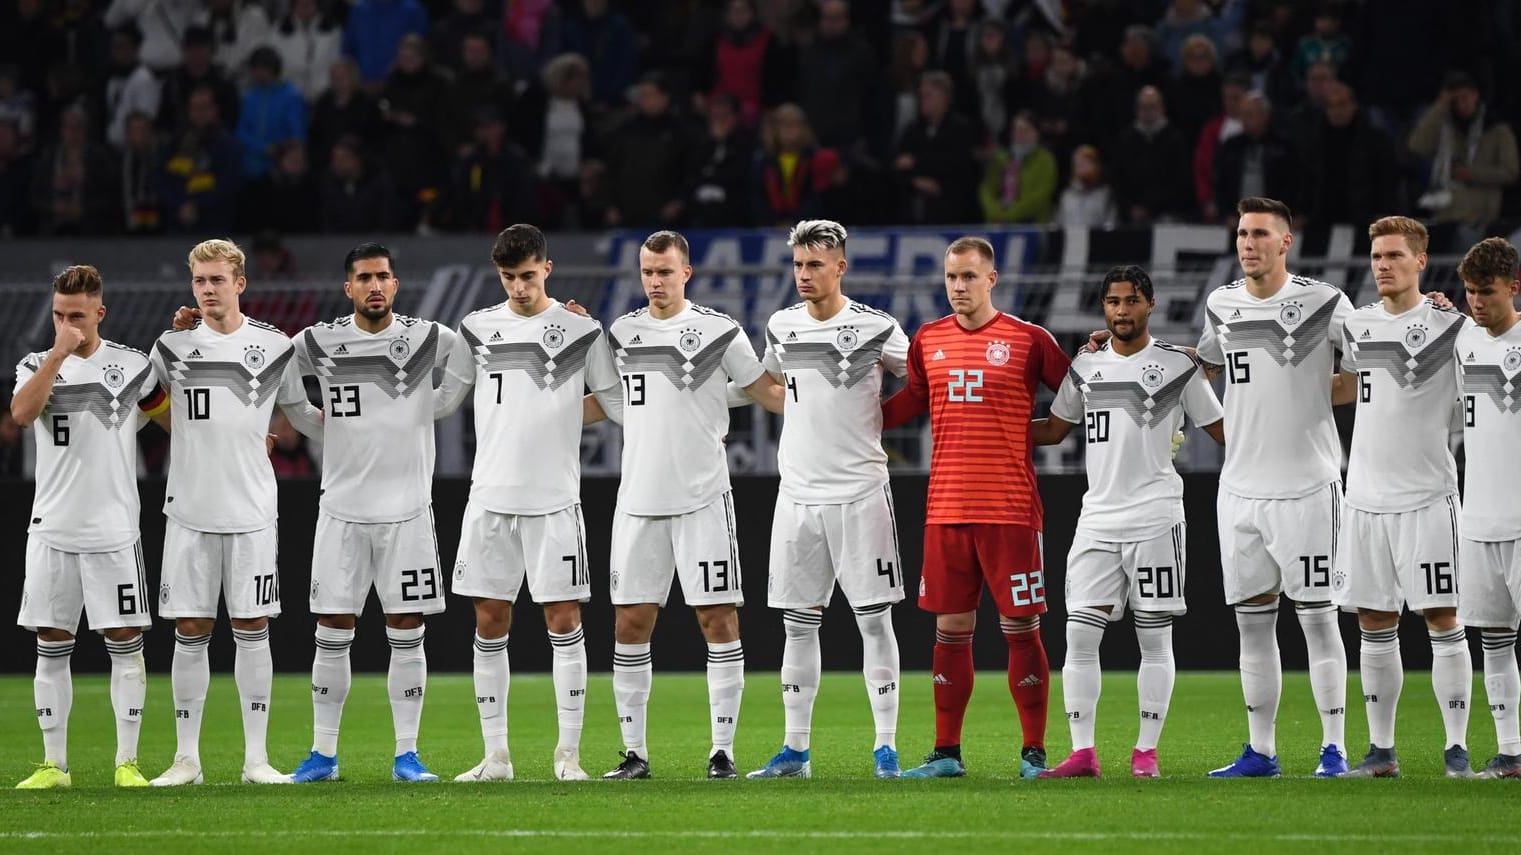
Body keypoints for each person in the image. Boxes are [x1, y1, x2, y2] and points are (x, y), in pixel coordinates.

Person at [241, 243, 470, 786]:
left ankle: (408, 755)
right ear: (348, 287)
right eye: (364, 277)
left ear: (395, 284)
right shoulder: (319, 341)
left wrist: (432, 409)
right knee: (332, 627)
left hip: (408, 512)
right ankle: (322, 754)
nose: (374, 285)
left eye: (383, 276)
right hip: (341, 510)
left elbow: (466, 365)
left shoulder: (428, 337)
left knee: (407, 629)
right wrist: (317, 423)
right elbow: (280, 372)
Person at [435, 224, 623, 782]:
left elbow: (613, 401)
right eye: (509, 278)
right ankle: (496, 756)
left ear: (548, 267)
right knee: (490, 622)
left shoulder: (581, 330)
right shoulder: (477, 328)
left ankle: (568, 756)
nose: (519, 287)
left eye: (527, 275)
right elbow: (447, 397)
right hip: (490, 495)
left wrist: (563, 410)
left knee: (563, 620)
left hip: (554, 498)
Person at [881, 236, 1070, 779]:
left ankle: (1034, 753)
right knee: (951, 627)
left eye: (968, 277)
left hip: (1010, 509)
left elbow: (1078, 395)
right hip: (946, 507)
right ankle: (946, 753)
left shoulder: (1030, 340)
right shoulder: (928, 339)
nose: (958, 287)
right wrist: (850, 420)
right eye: (950, 278)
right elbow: (914, 400)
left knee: (1021, 626)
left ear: (992, 279)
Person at [600, 230, 785, 780]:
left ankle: (722, 752)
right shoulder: (621, 332)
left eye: (665, 271)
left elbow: (764, 390)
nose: (655, 281)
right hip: (638, 501)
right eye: (647, 272)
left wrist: (826, 403)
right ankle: (635, 754)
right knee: (630, 624)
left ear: (687, 273)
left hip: (704, 498)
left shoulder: (719, 331)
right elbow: (609, 400)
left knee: (718, 620)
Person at [1030, 265, 1225, 779]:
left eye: (1132, 301)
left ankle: (1146, 752)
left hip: (1156, 516)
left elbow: (1225, 430)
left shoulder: (1179, 367)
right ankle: (1082, 753)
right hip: (1097, 517)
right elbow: (1053, 429)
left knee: (1154, 638)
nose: (1122, 310)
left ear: (1150, 304)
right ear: (1104, 308)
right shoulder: (1086, 366)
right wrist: (987, 423)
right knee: (1078, 635)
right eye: (1113, 302)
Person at [147, 239, 323, 786]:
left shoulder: (274, 347)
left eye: (217, 280)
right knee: (191, 629)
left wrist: (364, 435)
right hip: (190, 509)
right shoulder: (171, 345)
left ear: (240, 283)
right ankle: (186, 760)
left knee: (252, 628)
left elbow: (301, 413)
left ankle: (255, 760)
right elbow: (150, 407)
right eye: (199, 280)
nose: (206, 290)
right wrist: (208, 439)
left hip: (251, 510)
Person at [746, 220, 910, 780]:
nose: (803, 275)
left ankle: (885, 746)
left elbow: (923, 379)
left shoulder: (877, 327)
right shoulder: (781, 325)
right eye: (797, 264)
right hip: (796, 494)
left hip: (861, 491)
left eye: (815, 265)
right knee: (797, 623)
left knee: (872, 620)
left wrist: (883, 418)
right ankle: (795, 750)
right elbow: (769, 386)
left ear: (840, 266)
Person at [1196, 196, 1351, 778]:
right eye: (1241, 233)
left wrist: (1311, 394)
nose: (1247, 243)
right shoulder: (1221, 304)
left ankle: (1332, 748)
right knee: (1253, 622)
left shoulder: (1324, 302)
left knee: (1318, 617)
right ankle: (1261, 750)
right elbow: (1203, 364)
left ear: (1286, 242)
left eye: (1259, 233)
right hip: (1239, 489)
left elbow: (1362, 371)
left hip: (1307, 487)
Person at [13, 265, 171, 789]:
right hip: (52, 528)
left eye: (76, 316)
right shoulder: (36, 364)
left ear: (99, 313)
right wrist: (58, 353)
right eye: (59, 314)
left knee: (125, 642)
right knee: (51, 643)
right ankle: (53, 765)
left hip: (113, 529)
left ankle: (127, 762)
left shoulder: (132, 367)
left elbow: (172, 419)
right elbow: (19, 415)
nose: (66, 323)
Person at [1329, 217, 1472, 778]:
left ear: (1420, 259)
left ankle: (1456, 747)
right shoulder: (1358, 325)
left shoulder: (1453, 327)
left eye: (1393, 255)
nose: (1382, 264)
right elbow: (1343, 386)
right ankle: (1381, 751)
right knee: (1373, 621)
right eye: (1376, 255)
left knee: (1442, 616)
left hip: (1427, 497)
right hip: (1364, 498)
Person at [1455, 237, 1521, 779]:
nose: (1476, 302)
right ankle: (1510, 753)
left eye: (1487, 292)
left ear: (1514, 287)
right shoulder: (1464, 343)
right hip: (1478, 518)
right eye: (1470, 292)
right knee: (1494, 640)